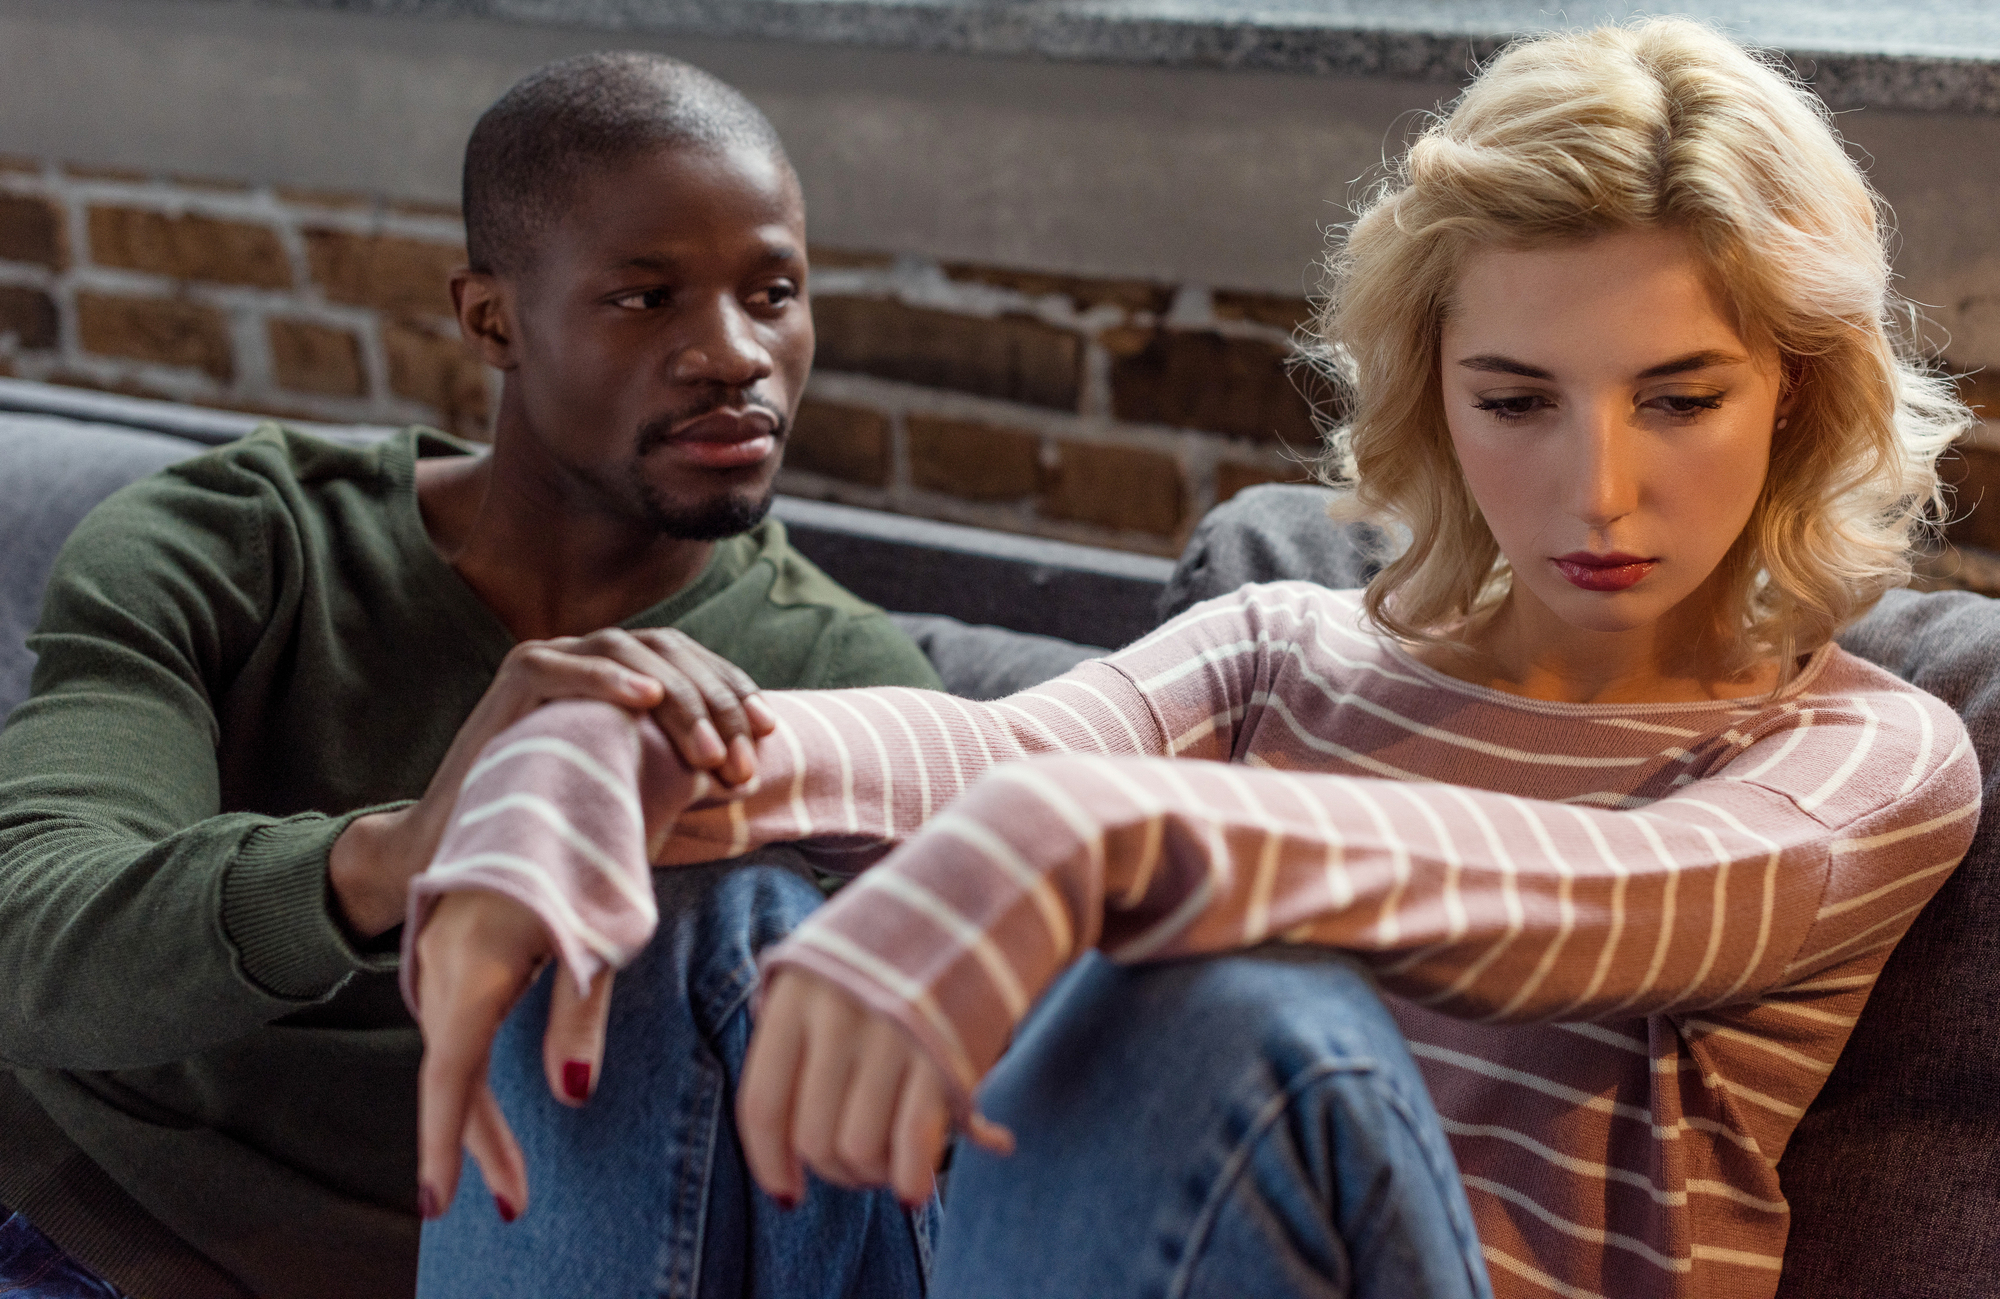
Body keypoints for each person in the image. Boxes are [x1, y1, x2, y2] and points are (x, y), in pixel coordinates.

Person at [406, 19, 1985, 1299]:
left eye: (1681, 397)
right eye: (1517, 400)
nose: (1600, 490)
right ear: (1433, 394)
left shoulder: (1866, 752)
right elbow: (986, 755)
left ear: (1799, 388)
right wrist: (608, 756)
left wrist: (1116, 838)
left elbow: (1582, 907)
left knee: (1219, 1009)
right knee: (666, 885)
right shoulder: (1283, 646)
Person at [0, 53, 942, 1299]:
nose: (735, 355)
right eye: (646, 298)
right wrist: (404, 853)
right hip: (102, 1222)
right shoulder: (238, 543)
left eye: (773, 292)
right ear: (490, 318)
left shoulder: (837, 680)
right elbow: (30, 940)